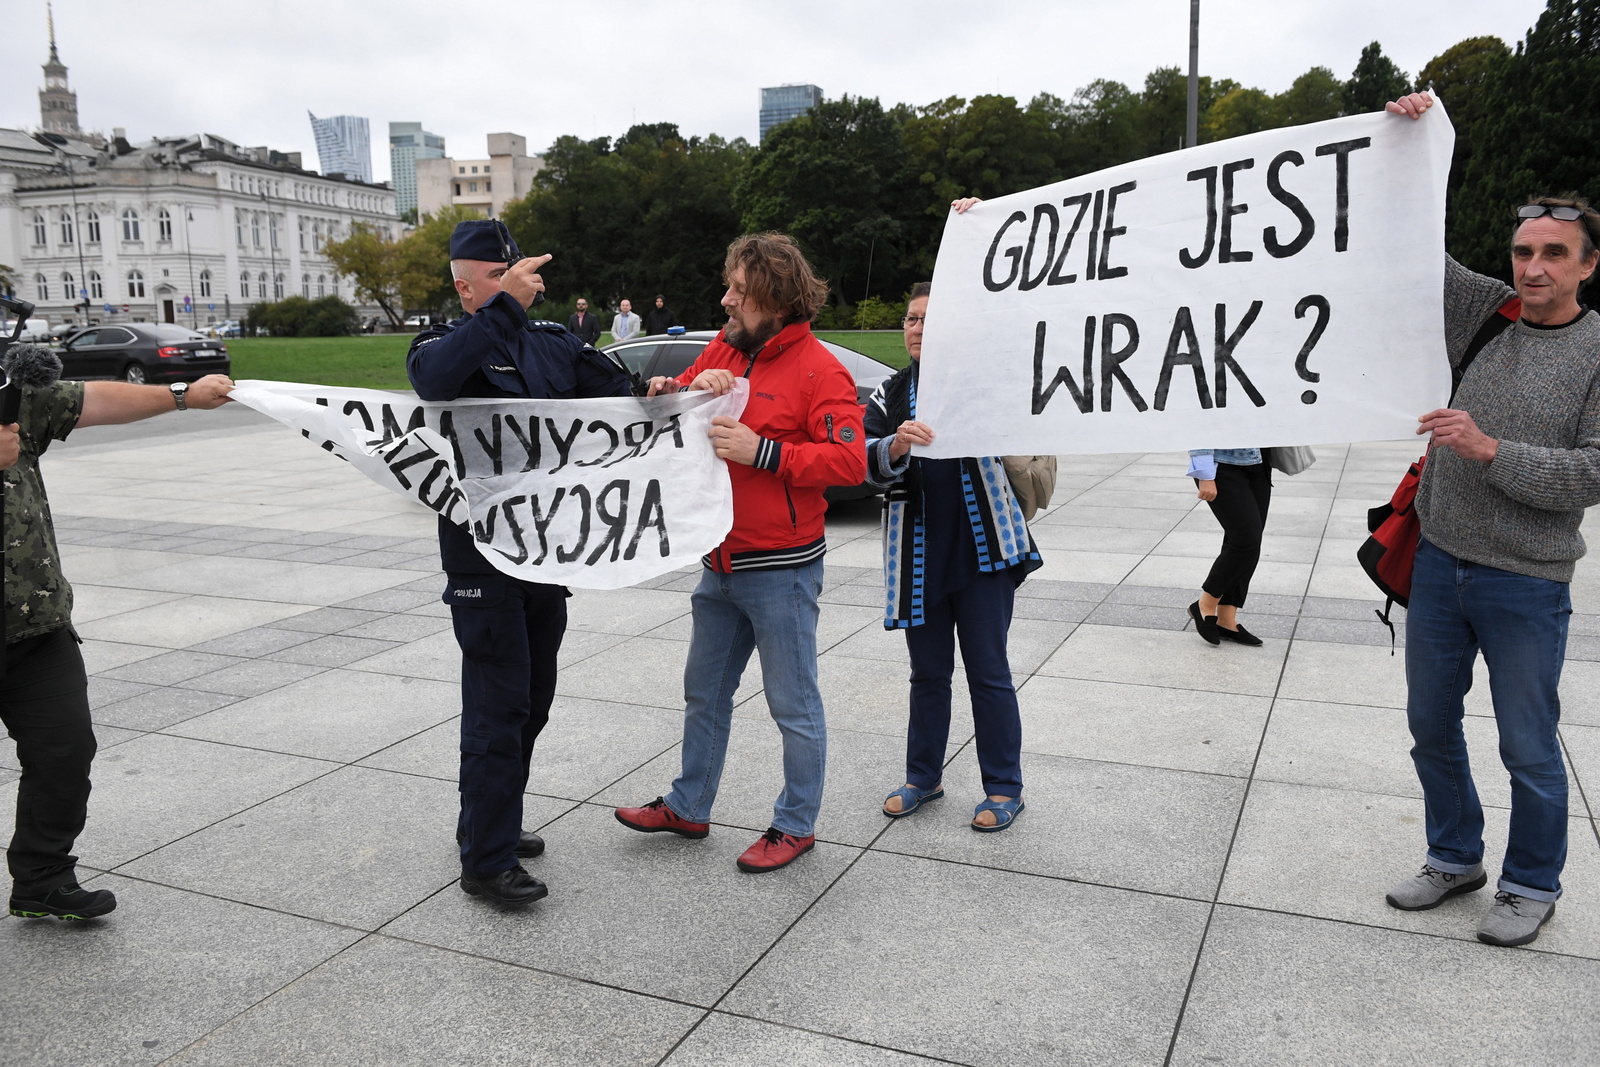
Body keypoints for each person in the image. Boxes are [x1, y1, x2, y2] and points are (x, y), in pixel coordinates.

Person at [1382, 92, 1599, 948]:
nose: (1533, 267)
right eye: (1522, 251)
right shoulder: (1483, 312)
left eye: (1553, 254)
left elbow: (1592, 470)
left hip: (1527, 578)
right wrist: (1405, 138)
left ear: (1588, 265)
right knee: (1429, 724)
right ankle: (1453, 854)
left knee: (1528, 744)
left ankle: (1531, 882)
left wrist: (1488, 450)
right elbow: (1406, 246)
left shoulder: (1596, 350)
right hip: (1439, 562)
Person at [614, 232, 865, 872]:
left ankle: (795, 825)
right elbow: (671, 410)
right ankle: (688, 806)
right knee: (703, 693)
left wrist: (766, 451)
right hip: (718, 563)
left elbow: (849, 461)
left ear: (775, 299)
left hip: (782, 571)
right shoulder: (726, 346)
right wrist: (670, 387)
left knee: (793, 704)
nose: (725, 300)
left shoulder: (821, 371)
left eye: (739, 291)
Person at [408, 220, 633, 906]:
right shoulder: (444, 345)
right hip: (482, 562)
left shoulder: (552, 343)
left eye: (517, 275)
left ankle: (490, 818)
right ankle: (486, 860)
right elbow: (433, 382)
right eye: (499, 277)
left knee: (532, 703)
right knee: (497, 706)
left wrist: (673, 390)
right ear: (466, 284)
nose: (519, 285)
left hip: (544, 554)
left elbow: (621, 390)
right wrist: (503, 306)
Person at [6, 369, 236, 921]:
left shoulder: (10, 401)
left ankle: (42, 878)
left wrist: (181, 396)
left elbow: (87, 400)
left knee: (64, 753)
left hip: (33, 627)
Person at [864, 271, 1041, 831]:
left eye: (930, 320)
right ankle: (923, 777)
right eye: (911, 319)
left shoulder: (984, 383)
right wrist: (894, 443)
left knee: (989, 671)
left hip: (984, 548)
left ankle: (1004, 787)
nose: (917, 328)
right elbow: (860, 457)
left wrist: (980, 226)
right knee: (927, 673)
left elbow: (1013, 337)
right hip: (918, 552)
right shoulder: (890, 392)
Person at [1185, 448, 1270, 647]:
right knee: (1245, 543)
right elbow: (1199, 420)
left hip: (1260, 462)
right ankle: (1205, 604)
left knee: (1248, 541)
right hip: (1223, 464)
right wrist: (1205, 473)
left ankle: (1226, 619)